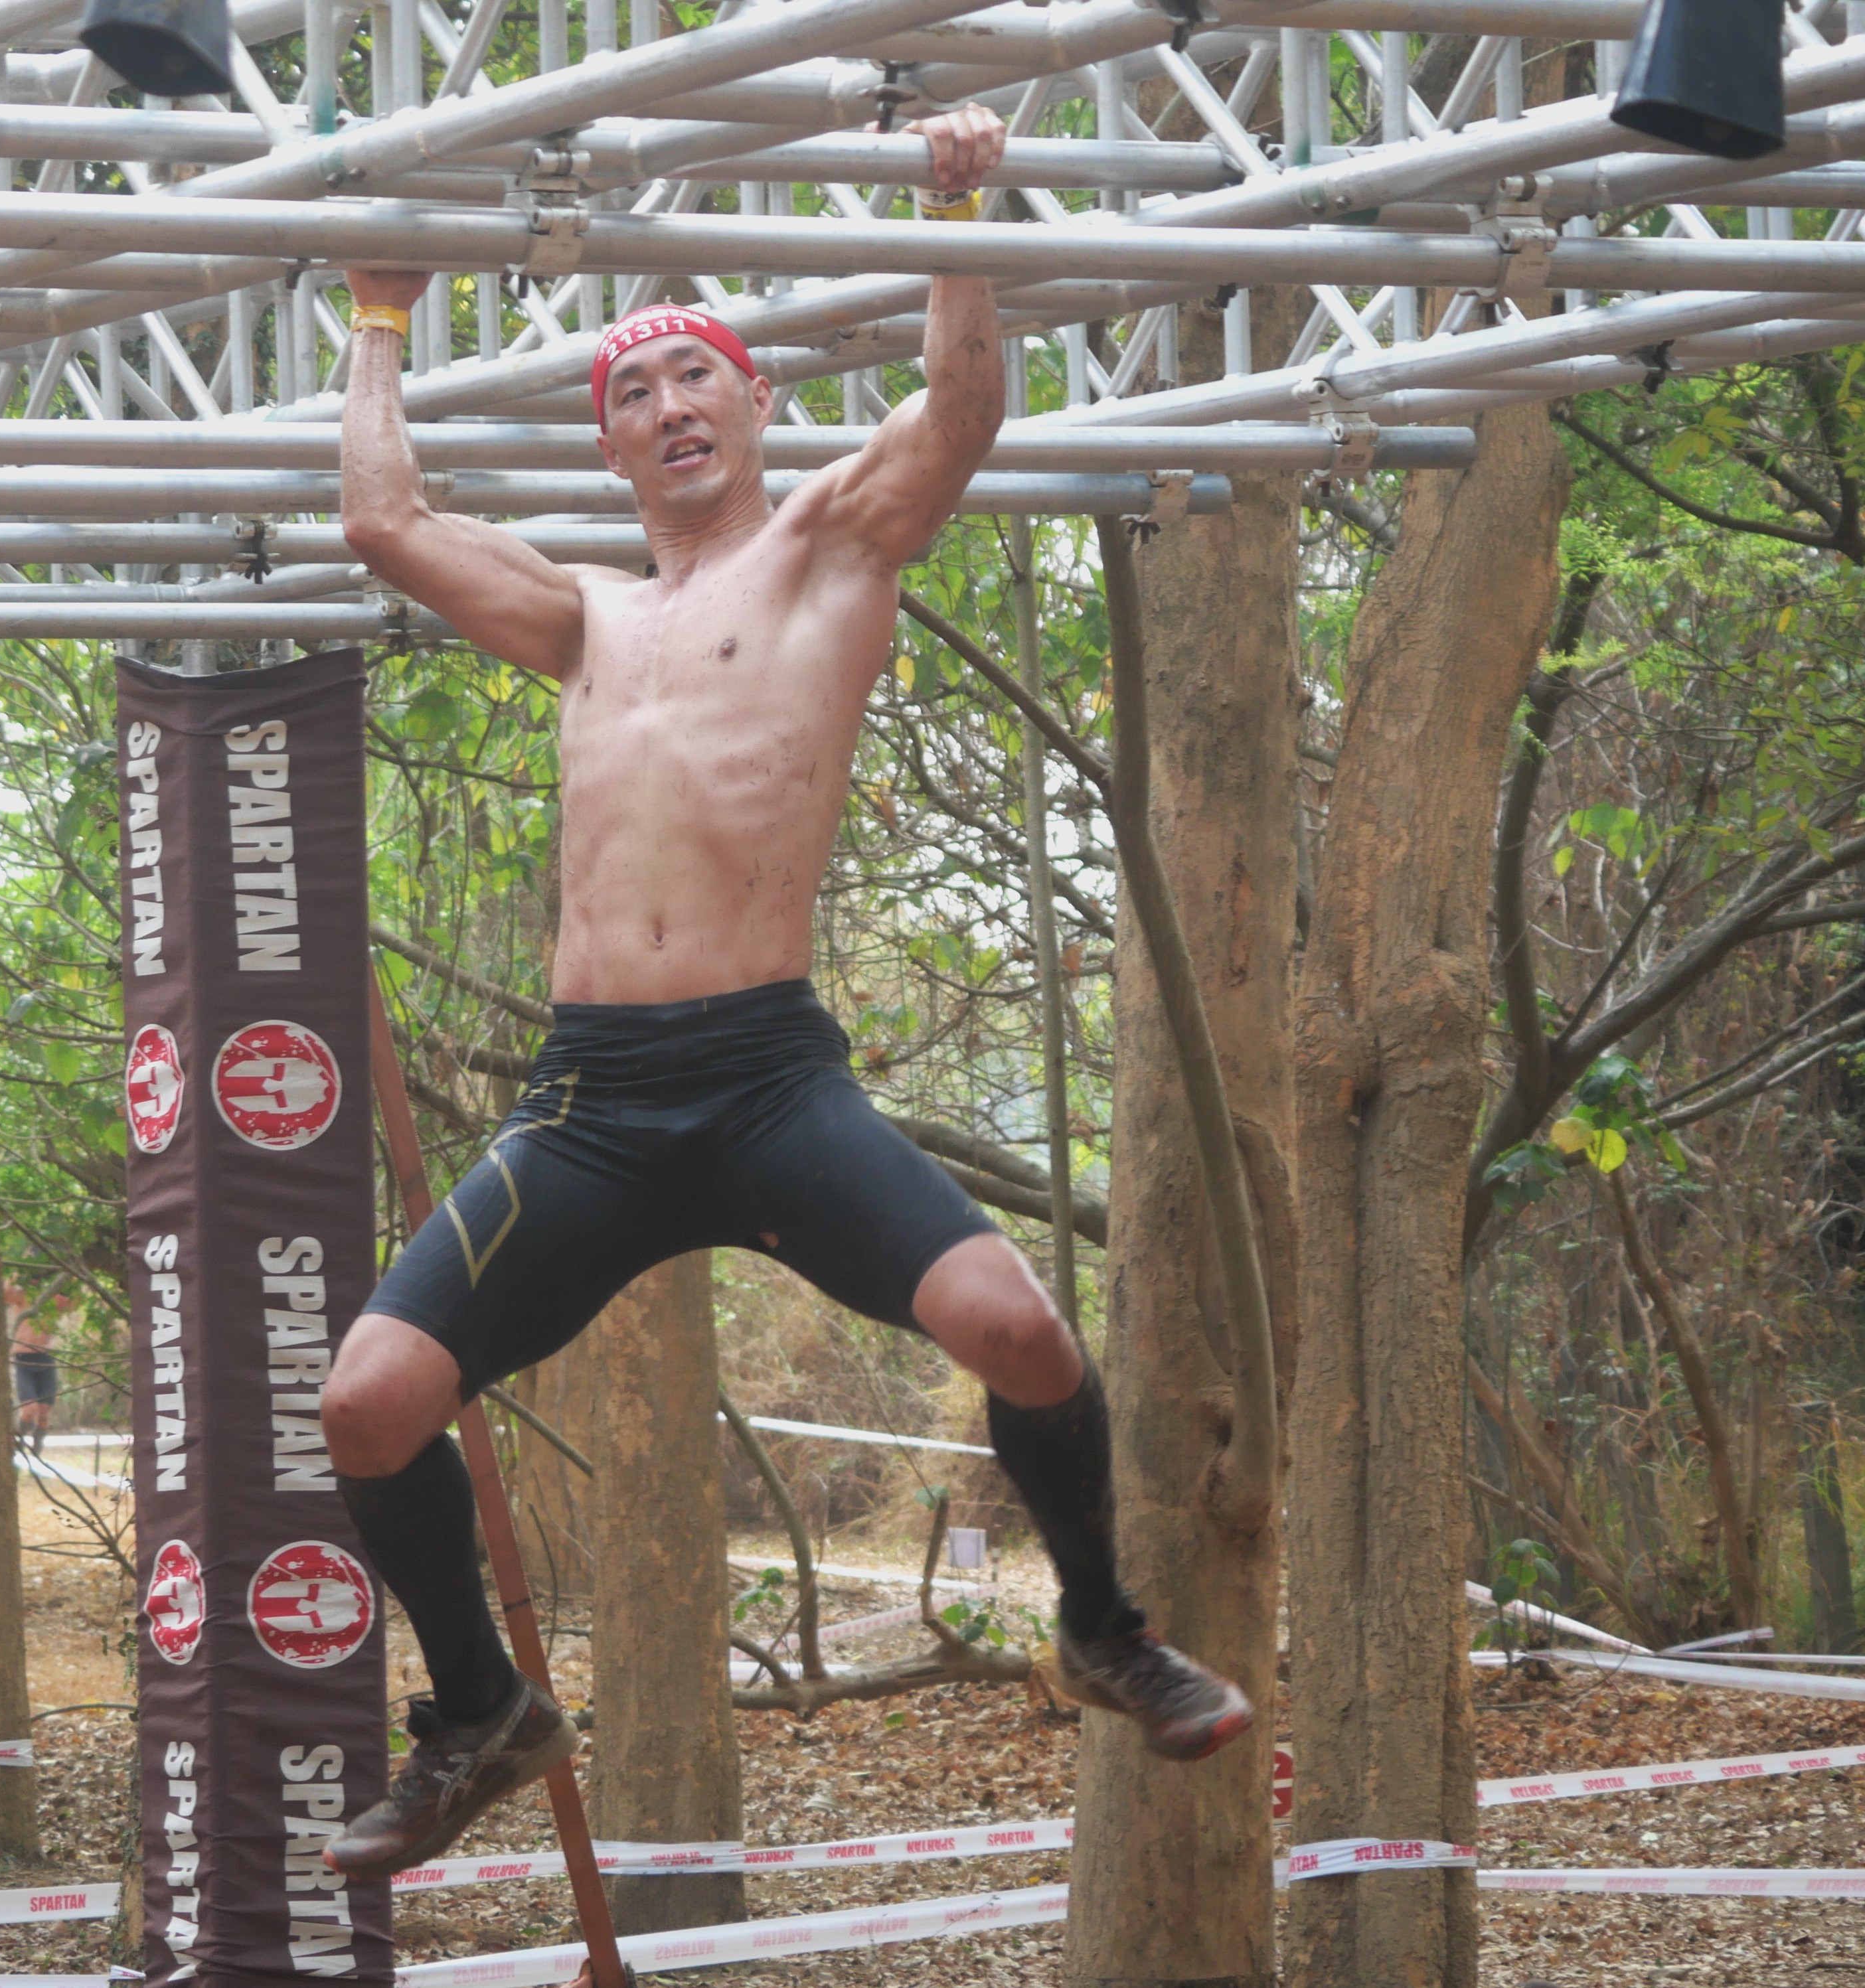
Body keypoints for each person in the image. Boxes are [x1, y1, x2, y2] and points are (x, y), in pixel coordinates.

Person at [323, 104, 1250, 1880]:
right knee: (365, 1400)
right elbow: (382, 515)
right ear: (607, 448)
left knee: (1019, 1330)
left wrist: (955, 201)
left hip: (761, 1079)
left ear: (751, 408)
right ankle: (477, 1714)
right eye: (630, 391)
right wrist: (377, 315)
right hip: (589, 1100)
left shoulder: (829, 547)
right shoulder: (582, 618)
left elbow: (960, 406)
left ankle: (1102, 1626)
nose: (666, 404)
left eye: (696, 376)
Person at [9, 1280, 60, 1458]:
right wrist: (17, 1276)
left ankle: (38, 1448)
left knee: (44, 1414)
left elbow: (74, 1303)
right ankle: (18, 1442)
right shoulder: (24, 1295)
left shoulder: (55, 1298)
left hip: (45, 1358)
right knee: (29, 1410)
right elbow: (6, 1294)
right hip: (24, 1358)